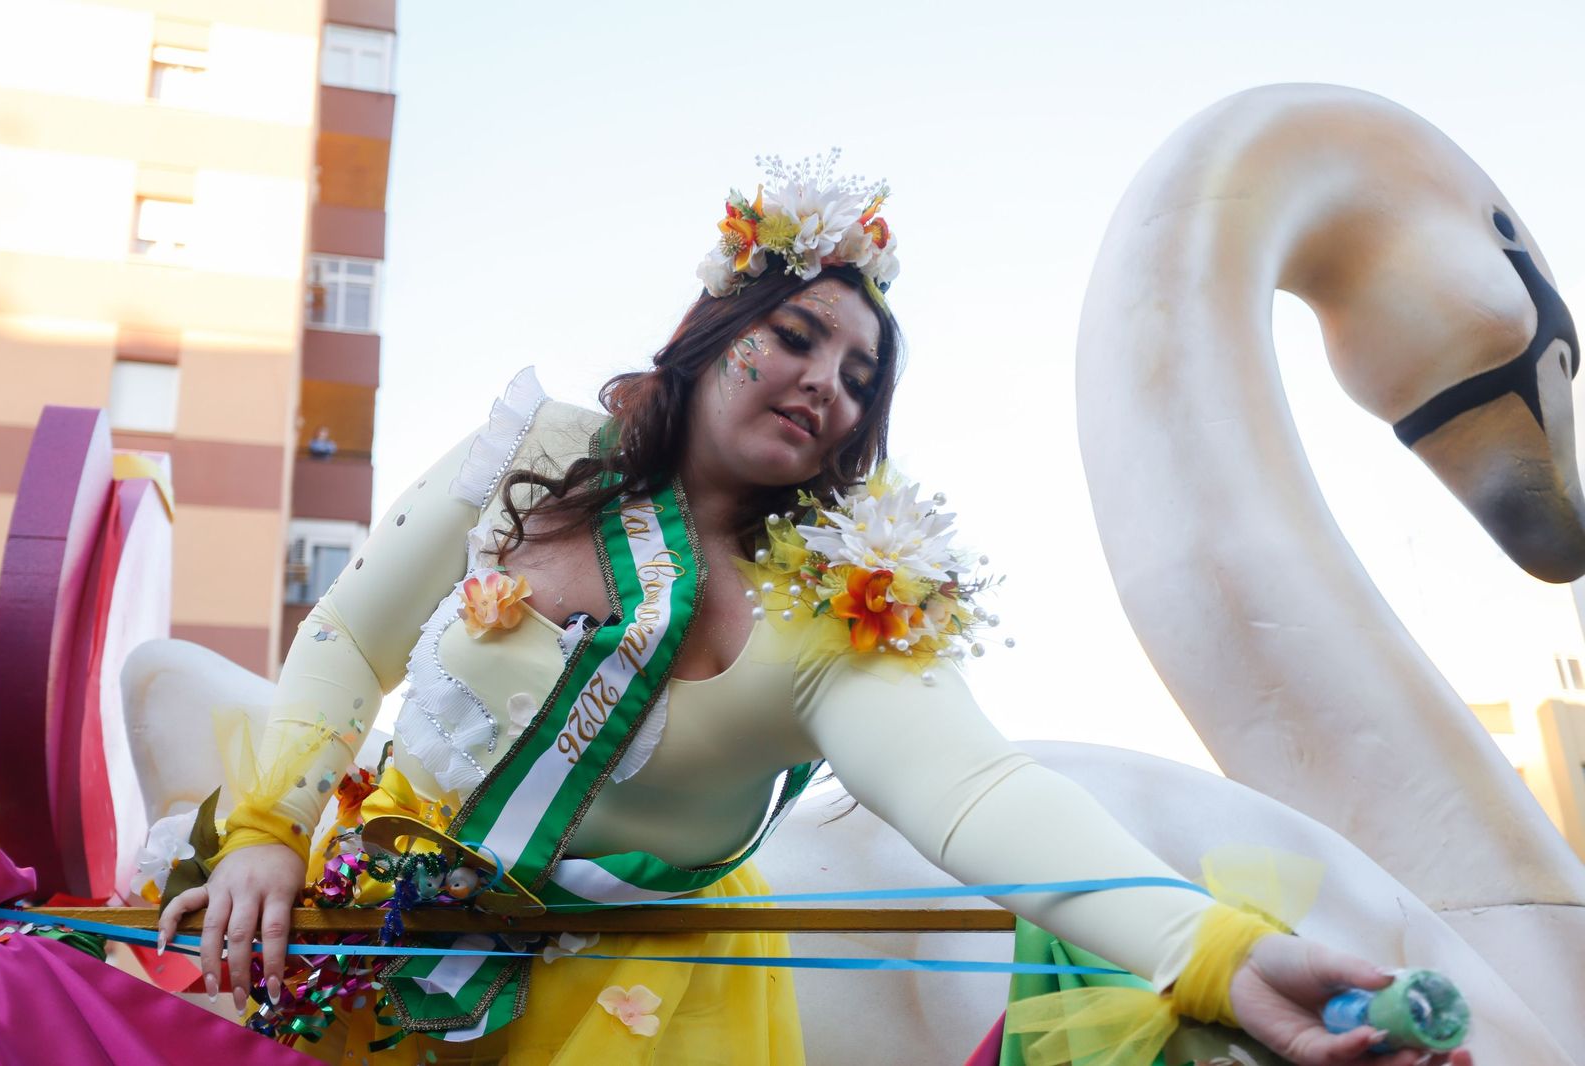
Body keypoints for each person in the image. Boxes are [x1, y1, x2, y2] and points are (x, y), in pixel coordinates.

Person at [158, 155, 1472, 1066]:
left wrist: (1216, 952)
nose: (827, 383)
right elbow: (350, 636)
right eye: (795, 336)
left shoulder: (838, 608)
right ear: (711, 329)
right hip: (349, 919)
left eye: (859, 375)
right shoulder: (537, 447)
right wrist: (266, 832)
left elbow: (980, 798)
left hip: (631, 1018)